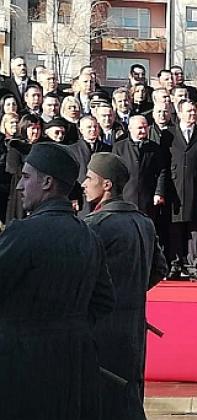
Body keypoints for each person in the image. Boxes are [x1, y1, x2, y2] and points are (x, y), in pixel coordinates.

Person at [0, 142, 114, 419]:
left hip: (22, 368)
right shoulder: (88, 237)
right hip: (75, 366)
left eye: (27, 178)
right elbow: (104, 301)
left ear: (47, 182)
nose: (19, 186)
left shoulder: (23, 234)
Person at [82, 152, 167, 420]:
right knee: (130, 397)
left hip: (100, 331)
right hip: (133, 330)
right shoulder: (144, 222)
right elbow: (159, 269)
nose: (83, 183)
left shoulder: (94, 226)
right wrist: (132, 290)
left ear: (107, 184)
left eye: (89, 178)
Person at [166, 100, 197, 279]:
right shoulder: (168, 134)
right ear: (179, 113)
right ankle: (175, 264)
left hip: (195, 187)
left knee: (195, 229)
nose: (192, 114)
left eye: (194, 111)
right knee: (175, 228)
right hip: (174, 188)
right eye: (189, 111)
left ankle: (194, 266)